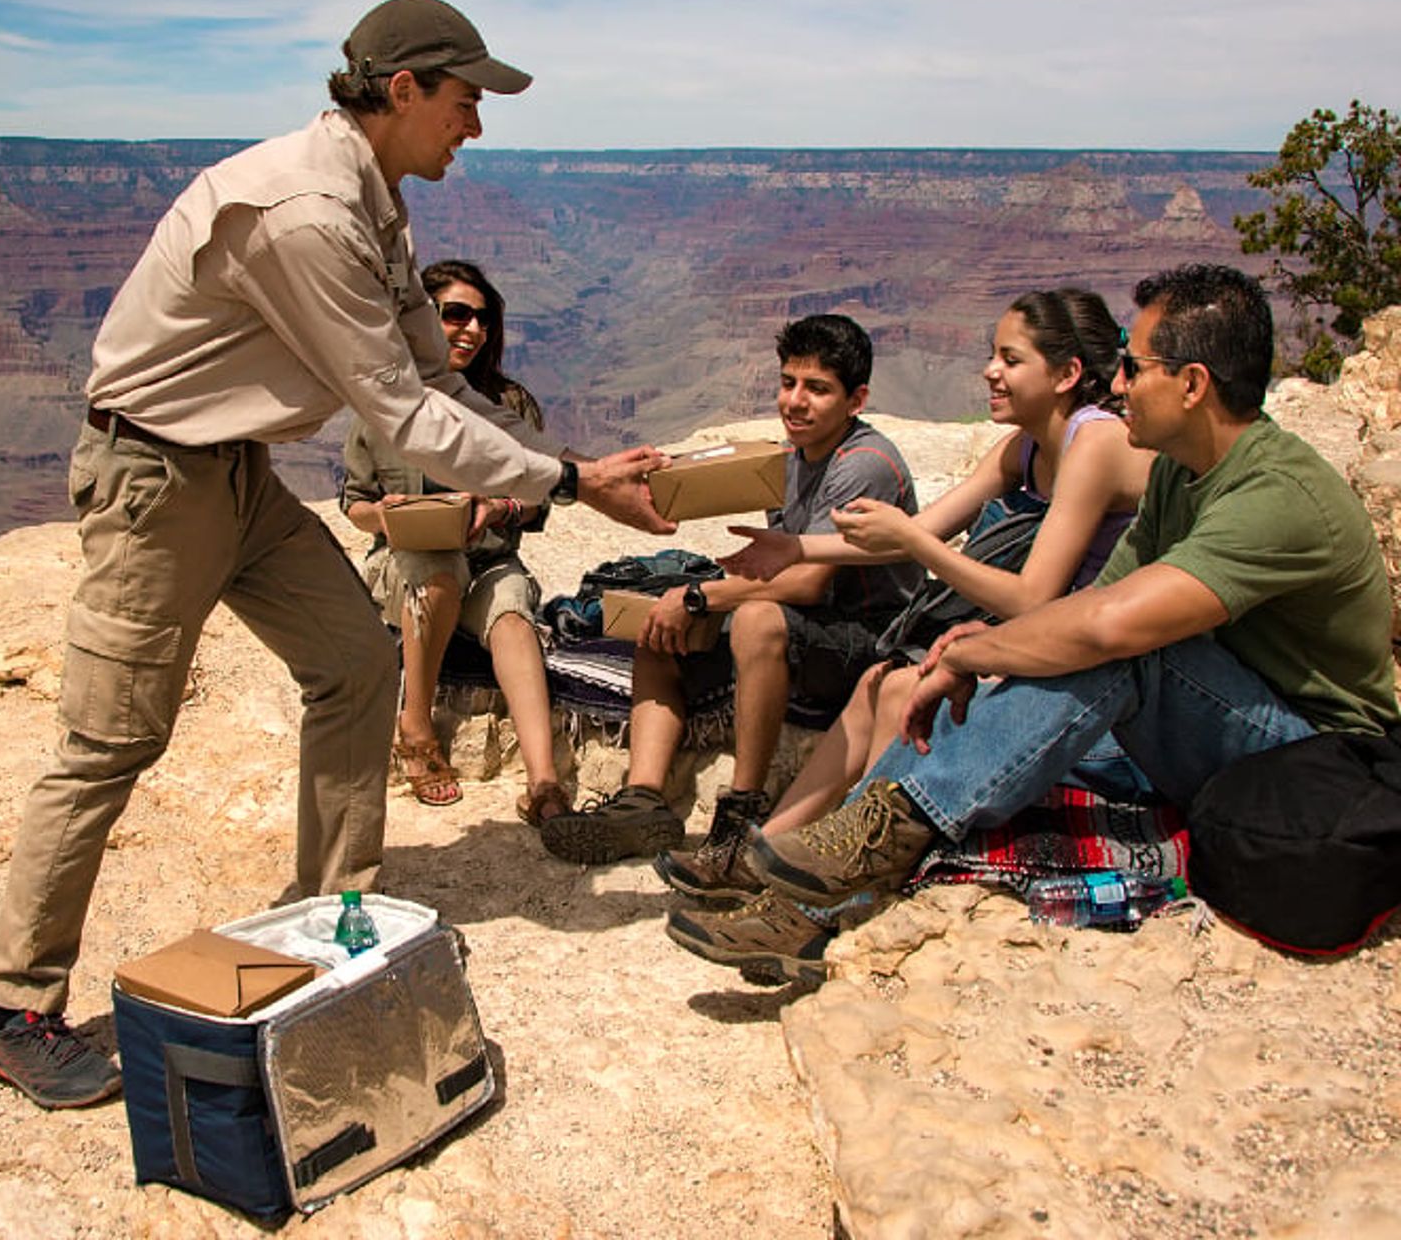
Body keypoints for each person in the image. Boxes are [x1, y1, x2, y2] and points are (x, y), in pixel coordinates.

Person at [0, 0, 674, 1111]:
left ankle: (334, 913)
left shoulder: (374, 196)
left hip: (237, 475)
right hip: (155, 480)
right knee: (111, 742)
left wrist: (577, 460)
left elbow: (443, 383)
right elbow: (401, 415)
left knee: (355, 665)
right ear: (402, 91)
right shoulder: (305, 212)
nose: (477, 126)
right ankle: (19, 1008)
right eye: (464, 101)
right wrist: (575, 484)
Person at [667, 265, 1400, 980]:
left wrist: (984, 648)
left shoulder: (1275, 494)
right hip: (1207, 719)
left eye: (1135, 367)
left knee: (1120, 650)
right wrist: (986, 653)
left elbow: (1109, 627)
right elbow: (1087, 605)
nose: (1117, 384)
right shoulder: (1180, 470)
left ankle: (861, 848)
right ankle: (810, 896)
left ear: (1193, 384)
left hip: (1311, 755)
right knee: (995, 678)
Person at [659, 288, 1153, 904]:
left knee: (899, 686)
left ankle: (845, 882)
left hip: (1099, 669)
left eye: (1010, 358)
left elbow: (1028, 596)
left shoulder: (1095, 442)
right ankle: (764, 856)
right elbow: (916, 535)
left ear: (1067, 374)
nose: (989, 370)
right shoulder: (1023, 448)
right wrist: (800, 549)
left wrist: (911, 545)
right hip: (1047, 637)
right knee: (877, 684)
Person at [540, 313, 924, 867]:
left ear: (855, 399)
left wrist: (701, 597)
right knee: (660, 626)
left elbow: (811, 583)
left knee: (751, 618)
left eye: (818, 389)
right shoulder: (791, 460)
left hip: (869, 633)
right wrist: (684, 599)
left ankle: (743, 809)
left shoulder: (864, 465)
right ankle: (643, 801)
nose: (795, 401)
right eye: (788, 383)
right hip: (810, 629)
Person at [342, 258, 570, 823]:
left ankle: (543, 783)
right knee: (438, 568)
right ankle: (415, 727)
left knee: (513, 619)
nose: (473, 329)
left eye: (483, 319)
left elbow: (541, 495)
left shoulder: (506, 403)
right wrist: (387, 516)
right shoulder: (384, 402)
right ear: (421, 320)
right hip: (408, 562)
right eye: (457, 315)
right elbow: (354, 502)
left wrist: (500, 507)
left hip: (489, 559)